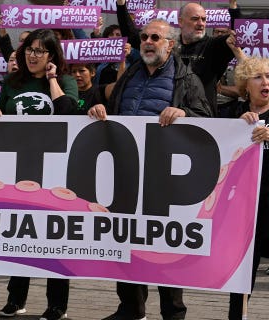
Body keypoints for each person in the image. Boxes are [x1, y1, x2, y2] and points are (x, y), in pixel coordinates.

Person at [87, 19, 211, 320]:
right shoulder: (130, 75)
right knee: (126, 243)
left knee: (164, 247)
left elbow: (208, 119)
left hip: (163, 179)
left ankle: (173, 312)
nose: (148, 41)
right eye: (144, 37)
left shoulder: (186, 80)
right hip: (126, 175)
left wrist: (184, 113)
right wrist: (98, 109)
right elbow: (108, 111)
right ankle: (131, 309)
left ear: (169, 44)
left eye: (155, 37)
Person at [0, 28, 78, 320]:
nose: (32, 55)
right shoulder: (13, 82)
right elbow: (2, 115)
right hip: (20, 168)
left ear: (52, 56)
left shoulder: (64, 81)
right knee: (20, 232)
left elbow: (66, 110)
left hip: (54, 169)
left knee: (54, 238)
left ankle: (57, 304)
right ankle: (16, 299)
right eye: (29, 49)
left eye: (40, 51)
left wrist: (52, 79)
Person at [228, 56, 269, 320]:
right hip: (243, 208)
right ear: (245, 84)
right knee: (242, 274)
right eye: (258, 77)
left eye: (268, 76)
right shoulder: (233, 114)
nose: (265, 82)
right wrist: (235, 127)